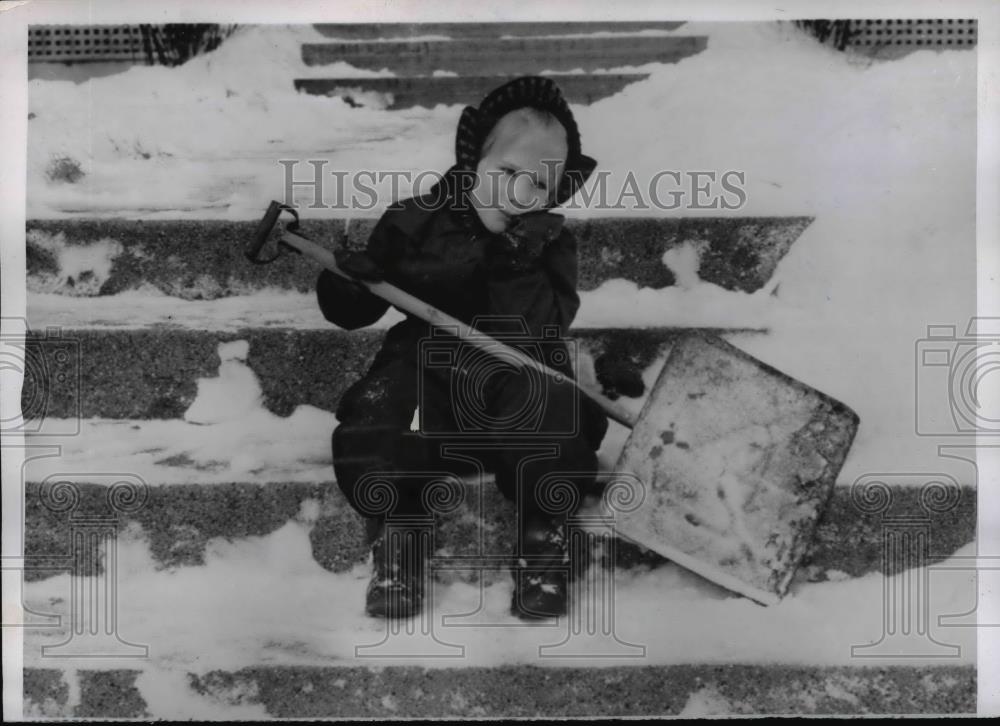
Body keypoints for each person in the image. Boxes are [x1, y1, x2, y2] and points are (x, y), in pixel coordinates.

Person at [316, 76, 608, 620]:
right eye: (507, 173)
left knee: (555, 416)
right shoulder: (416, 221)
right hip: (432, 379)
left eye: (539, 185)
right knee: (379, 412)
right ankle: (401, 531)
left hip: (516, 375)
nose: (520, 194)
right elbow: (353, 314)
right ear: (474, 161)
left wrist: (517, 263)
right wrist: (350, 283)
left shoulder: (546, 241)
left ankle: (543, 538)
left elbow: (548, 324)